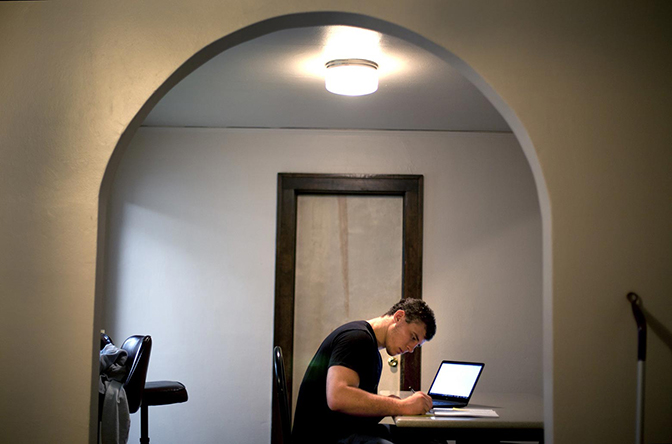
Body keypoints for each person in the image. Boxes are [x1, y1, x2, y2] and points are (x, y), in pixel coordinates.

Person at [291, 298, 437, 444]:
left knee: (428, 439)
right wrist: (402, 406)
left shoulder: (371, 349)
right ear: (398, 317)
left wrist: (391, 403)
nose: (411, 349)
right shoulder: (356, 338)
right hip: (323, 437)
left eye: (416, 345)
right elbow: (338, 397)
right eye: (412, 337)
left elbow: (353, 413)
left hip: (342, 431)